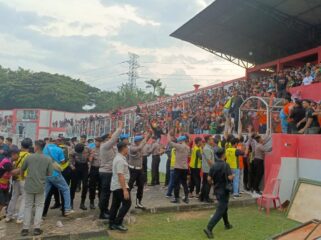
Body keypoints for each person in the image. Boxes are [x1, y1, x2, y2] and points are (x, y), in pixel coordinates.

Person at [20, 140, 53, 237]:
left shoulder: (29, 157)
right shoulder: (48, 159)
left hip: (29, 185)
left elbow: (22, 169)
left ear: (37, 147)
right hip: (40, 185)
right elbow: (49, 173)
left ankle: (25, 229)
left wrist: (22, 177)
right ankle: (36, 228)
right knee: (39, 206)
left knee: (28, 206)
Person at [204, 148, 233, 239]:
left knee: (224, 207)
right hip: (224, 190)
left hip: (217, 190)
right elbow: (230, 178)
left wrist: (213, 184)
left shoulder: (213, 166)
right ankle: (209, 228)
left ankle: (227, 224)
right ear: (223, 155)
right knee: (220, 210)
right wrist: (233, 176)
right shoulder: (226, 165)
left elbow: (209, 179)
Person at [99, 121, 123, 219]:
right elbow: (113, 139)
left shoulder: (110, 148)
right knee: (105, 193)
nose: (111, 140)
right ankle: (102, 213)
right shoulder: (105, 146)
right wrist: (120, 128)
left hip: (109, 172)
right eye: (109, 138)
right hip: (106, 173)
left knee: (107, 193)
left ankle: (105, 210)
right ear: (106, 140)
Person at [43, 139, 73, 216]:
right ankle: (67, 209)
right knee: (66, 189)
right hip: (56, 174)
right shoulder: (59, 149)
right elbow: (63, 161)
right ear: (57, 142)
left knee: (45, 193)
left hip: (46, 174)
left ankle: (40, 210)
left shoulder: (44, 149)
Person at [6, 138, 32, 223]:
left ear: (21, 145)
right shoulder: (29, 156)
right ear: (30, 146)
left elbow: (12, 165)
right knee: (24, 198)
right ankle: (20, 218)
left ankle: (9, 215)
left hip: (16, 178)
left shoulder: (17, 154)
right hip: (24, 179)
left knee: (14, 197)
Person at [109, 142, 131, 232]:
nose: (128, 149)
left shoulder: (120, 158)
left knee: (115, 205)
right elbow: (120, 175)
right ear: (123, 148)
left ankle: (112, 223)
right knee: (127, 204)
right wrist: (125, 190)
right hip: (120, 186)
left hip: (117, 185)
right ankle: (118, 223)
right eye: (127, 147)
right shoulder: (120, 160)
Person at [128, 134, 150, 209]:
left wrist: (149, 134)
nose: (142, 142)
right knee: (129, 186)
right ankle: (125, 202)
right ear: (137, 141)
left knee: (141, 186)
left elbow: (143, 143)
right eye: (140, 141)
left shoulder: (139, 146)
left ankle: (138, 202)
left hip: (139, 170)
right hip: (132, 170)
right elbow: (140, 147)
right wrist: (145, 138)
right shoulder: (132, 147)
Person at [168, 133, 190, 204]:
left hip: (178, 168)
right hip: (185, 167)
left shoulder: (179, 146)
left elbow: (169, 142)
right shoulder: (188, 147)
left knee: (176, 183)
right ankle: (186, 197)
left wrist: (168, 134)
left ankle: (176, 198)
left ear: (181, 141)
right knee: (184, 183)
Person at [70, 143, 91, 210]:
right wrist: (72, 165)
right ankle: (71, 203)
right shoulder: (73, 151)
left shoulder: (87, 149)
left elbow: (92, 153)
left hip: (84, 167)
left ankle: (82, 203)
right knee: (73, 185)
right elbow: (70, 160)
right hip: (76, 167)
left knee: (85, 185)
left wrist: (89, 159)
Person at [200, 135, 215, 202]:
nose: (212, 140)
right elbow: (209, 161)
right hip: (208, 169)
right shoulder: (207, 149)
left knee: (205, 184)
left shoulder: (209, 148)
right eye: (211, 139)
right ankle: (206, 198)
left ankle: (202, 197)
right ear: (208, 141)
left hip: (208, 169)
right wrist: (215, 167)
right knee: (207, 184)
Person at [88, 137, 102, 210]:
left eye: (98, 141)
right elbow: (90, 160)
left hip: (101, 169)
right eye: (95, 141)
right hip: (94, 169)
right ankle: (91, 202)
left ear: (100, 142)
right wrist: (92, 155)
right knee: (92, 186)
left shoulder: (103, 149)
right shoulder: (92, 150)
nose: (96, 143)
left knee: (101, 186)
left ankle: (100, 201)